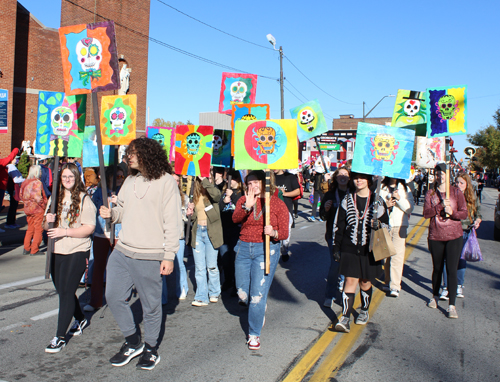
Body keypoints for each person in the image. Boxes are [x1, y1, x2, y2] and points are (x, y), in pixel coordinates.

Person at [99, 137, 182, 370]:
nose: (129, 156)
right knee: (113, 296)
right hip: (123, 250)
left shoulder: (166, 182)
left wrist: (169, 255)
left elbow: (172, 221)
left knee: (151, 306)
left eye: (134, 153)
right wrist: (112, 214)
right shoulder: (130, 180)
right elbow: (123, 210)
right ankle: (133, 341)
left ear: (148, 154)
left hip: (150, 254)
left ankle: (151, 348)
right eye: (128, 153)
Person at [232, 170, 289, 350]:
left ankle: (254, 333)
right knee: (243, 294)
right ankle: (259, 308)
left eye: (256, 182)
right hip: (243, 248)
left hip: (265, 250)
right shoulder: (243, 200)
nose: (252, 186)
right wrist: (246, 207)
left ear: (265, 183)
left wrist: (273, 232)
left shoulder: (277, 204)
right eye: (249, 183)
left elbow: (285, 233)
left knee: (257, 295)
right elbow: (235, 219)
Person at [43, 163, 96, 352]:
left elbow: (89, 227)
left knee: (66, 292)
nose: (67, 180)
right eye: (64, 177)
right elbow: (45, 225)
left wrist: (64, 231)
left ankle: (59, 337)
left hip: (77, 249)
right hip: (57, 250)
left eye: (71, 177)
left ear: (77, 178)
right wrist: (47, 222)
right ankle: (80, 318)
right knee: (62, 290)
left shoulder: (84, 200)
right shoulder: (54, 198)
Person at [334, 172, 389, 333]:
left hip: (369, 249)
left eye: (362, 177)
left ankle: (364, 310)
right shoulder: (347, 199)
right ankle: (345, 317)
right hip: (349, 247)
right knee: (350, 281)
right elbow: (339, 225)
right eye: (356, 177)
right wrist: (336, 247)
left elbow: (387, 225)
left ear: (369, 180)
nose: (359, 180)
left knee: (365, 281)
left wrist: (378, 224)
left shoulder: (377, 200)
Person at [423, 163, 467, 319]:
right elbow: (426, 214)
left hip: (454, 236)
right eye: (437, 173)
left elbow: (464, 214)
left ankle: (451, 305)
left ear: (448, 175)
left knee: (452, 270)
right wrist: (440, 207)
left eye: (443, 173)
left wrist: (452, 212)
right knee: (437, 268)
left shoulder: (456, 192)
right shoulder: (430, 193)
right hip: (436, 235)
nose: (440, 176)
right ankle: (434, 297)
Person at [83, 168, 124, 312]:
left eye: (121, 176)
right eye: (117, 176)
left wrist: (119, 202)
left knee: (118, 268)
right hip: (102, 232)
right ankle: (95, 301)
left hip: (118, 234)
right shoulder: (99, 192)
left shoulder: (123, 192)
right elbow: (92, 210)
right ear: (109, 177)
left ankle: (119, 300)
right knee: (98, 267)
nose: (120, 178)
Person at [440, 172, 482, 300]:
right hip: (451, 230)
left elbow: (478, 212)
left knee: (461, 259)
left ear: (466, 185)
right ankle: (446, 287)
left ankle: (458, 285)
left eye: (461, 183)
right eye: (457, 182)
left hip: (465, 231)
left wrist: (478, 220)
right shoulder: (451, 195)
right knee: (447, 259)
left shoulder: (472, 196)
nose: (458, 185)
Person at [186, 176, 223, 306]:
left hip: (211, 232)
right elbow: (194, 217)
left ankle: (214, 292)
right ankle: (201, 295)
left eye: (208, 177)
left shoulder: (212, 192)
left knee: (211, 266)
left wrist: (205, 181)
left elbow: (217, 196)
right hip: (198, 232)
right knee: (199, 267)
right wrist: (190, 211)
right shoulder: (195, 195)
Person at [319, 167, 350, 308]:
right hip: (333, 235)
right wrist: (325, 209)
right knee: (335, 265)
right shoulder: (330, 195)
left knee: (349, 266)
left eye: (346, 174)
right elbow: (322, 216)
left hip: (351, 235)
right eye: (340, 174)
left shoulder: (354, 194)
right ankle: (329, 295)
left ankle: (346, 292)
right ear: (336, 178)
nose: (343, 176)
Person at [380, 177, 415, 298]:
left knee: (397, 256)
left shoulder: (405, 188)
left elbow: (410, 208)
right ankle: (387, 280)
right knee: (385, 255)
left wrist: (399, 199)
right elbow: (375, 205)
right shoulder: (381, 187)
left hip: (400, 225)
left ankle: (395, 285)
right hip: (384, 224)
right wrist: (386, 204)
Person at [161, 173, 189, 304]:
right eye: (173, 180)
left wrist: (189, 213)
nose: (175, 182)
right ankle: (162, 296)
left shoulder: (184, 197)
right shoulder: (161, 195)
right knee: (162, 267)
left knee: (178, 264)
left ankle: (182, 288)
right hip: (163, 235)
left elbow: (186, 217)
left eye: (177, 181)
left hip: (178, 236)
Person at [219, 169, 244, 294]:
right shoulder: (224, 193)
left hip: (236, 230)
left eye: (233, 179)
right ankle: (228, 280)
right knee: (225, 258)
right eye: (229, 179)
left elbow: (242, 206)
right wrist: (224, 201)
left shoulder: (241, 192)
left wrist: (233, 196)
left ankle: (236, 283)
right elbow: (219, 208)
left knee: (235, 258)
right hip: (225, 229)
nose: (231, 181)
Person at [20, 165, 47, 256]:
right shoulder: (37, 183)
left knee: (30, 228)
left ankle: (26, 248)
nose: (41, 173)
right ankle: (34, 249)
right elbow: (38, 198)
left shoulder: (25, 182)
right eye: (39, 171)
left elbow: (20, 195)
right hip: (37, 209)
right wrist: (44, 206)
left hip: (28, 208)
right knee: (38, 229)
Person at [273, 169, 300, 261]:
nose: (274, 168)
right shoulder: (270, 177)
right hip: (273, 208)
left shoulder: (290, 177)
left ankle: (284, 251)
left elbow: (298, 191)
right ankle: (274, 252)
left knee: (285, 233)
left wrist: (285, 193)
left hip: (286, 209)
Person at [5, 156, 25, 229]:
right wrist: (24, 179)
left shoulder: (11, 166)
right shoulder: (11, 166)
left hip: (13, 188)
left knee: (14, 204)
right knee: (13, 205)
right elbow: (15, 180)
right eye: (16, 158)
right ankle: (9, 222)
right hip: (13, 188)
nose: (17, 160)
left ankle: (12, 222)